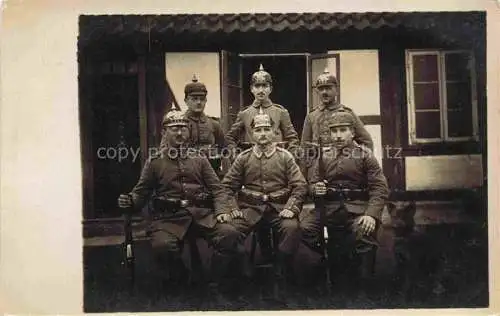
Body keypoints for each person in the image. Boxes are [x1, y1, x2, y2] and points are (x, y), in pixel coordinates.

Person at [117, 109, 239, 289]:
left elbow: (218, 189)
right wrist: (130, 201)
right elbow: (141, 193)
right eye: (174, 128)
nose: (180, 132)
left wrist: (221, 211)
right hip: (168, 218)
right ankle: (180, 276)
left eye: (183, 128)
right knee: (163, 247)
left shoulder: (199, 159)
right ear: (164, 132)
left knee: (229, 234)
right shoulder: (155, 162)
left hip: (201, 215)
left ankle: (213, 280)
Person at [302, 110, 389, 291]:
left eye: (343, 130)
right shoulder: (324, 156)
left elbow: (379, 188)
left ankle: (364, 284)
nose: (338, 135)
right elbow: (311, 183)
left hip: (358, 209)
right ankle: (332, 260)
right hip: (329, 208)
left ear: (352, 132)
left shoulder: (365, 156)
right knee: (305, 228)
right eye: (334, 131)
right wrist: (316, 189)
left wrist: (372, 215)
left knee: (363, 231)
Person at [220, 112, 307, 283]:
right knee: (227, 232)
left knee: (292, 229)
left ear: (274, 132)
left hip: (279, 210)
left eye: (267, 129)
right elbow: (227, 187)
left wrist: (291, 207)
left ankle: (281, 268)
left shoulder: (285, 157)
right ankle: (244, 266)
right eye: (258, 130)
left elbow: (300, 185)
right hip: (250, 210)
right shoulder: (243, 158)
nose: (263, 134)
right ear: (252, 133)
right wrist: (233, 208)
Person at [225, 64, 300, 157]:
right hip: (251, 161)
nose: (261, 90)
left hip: (276, 160)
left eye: (264, 86)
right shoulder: (244, 114)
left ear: (270, 89)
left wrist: (288, 157)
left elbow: (292, 138)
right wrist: (236, 155)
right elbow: (230, 137)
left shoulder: (280, 112)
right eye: (257, 86)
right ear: (252, 89)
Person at [160, 75, 227, 176]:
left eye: (202, 99)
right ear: (186, 101)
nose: (199, 102)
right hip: (185, 175)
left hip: (212, 173)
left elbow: (225, 150)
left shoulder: (214, 124)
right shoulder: (178, 124)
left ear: (206, 101)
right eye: (194, 99)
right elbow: (164, 150)